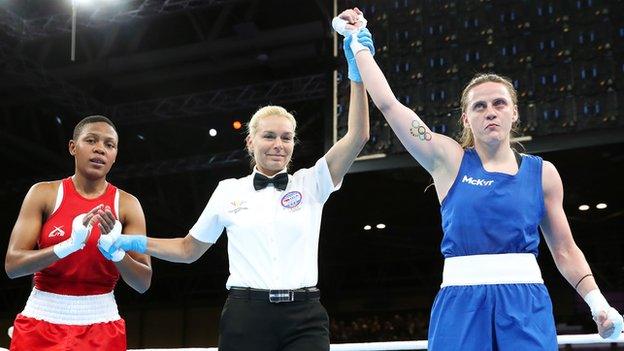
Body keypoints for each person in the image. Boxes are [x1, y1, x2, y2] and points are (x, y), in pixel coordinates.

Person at [334, 8, 623, 350]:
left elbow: (564, 248)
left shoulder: (543, 174)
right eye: (479, 106)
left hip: (526, 304)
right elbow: (389, 104)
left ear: (513, 112)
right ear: (467, 118)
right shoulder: (447, 160)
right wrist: (357, 42)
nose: (490, 111)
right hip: (461, 303)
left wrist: (597, 302)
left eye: (499, 103)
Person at [99, 49, 372, 350]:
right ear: (250, 141)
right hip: (246, 315)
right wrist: (130, 241)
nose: (278, 145)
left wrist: (356, 71)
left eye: (286, 137)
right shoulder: (229, 190)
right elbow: (188, 250)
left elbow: (358, 135)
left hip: (304, 316)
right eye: (269, 136)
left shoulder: (312, 182)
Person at [4, 115, 152, 351]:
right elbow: (13, 266)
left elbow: (143, 282)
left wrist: (116, 253)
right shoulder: (43, 194)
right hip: (41, 319)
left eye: (109, 145)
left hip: (102, 323)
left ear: (115, 155)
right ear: (73, 147)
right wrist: (68, 245)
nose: (100, 149)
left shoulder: (127, 204)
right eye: (91, 140)